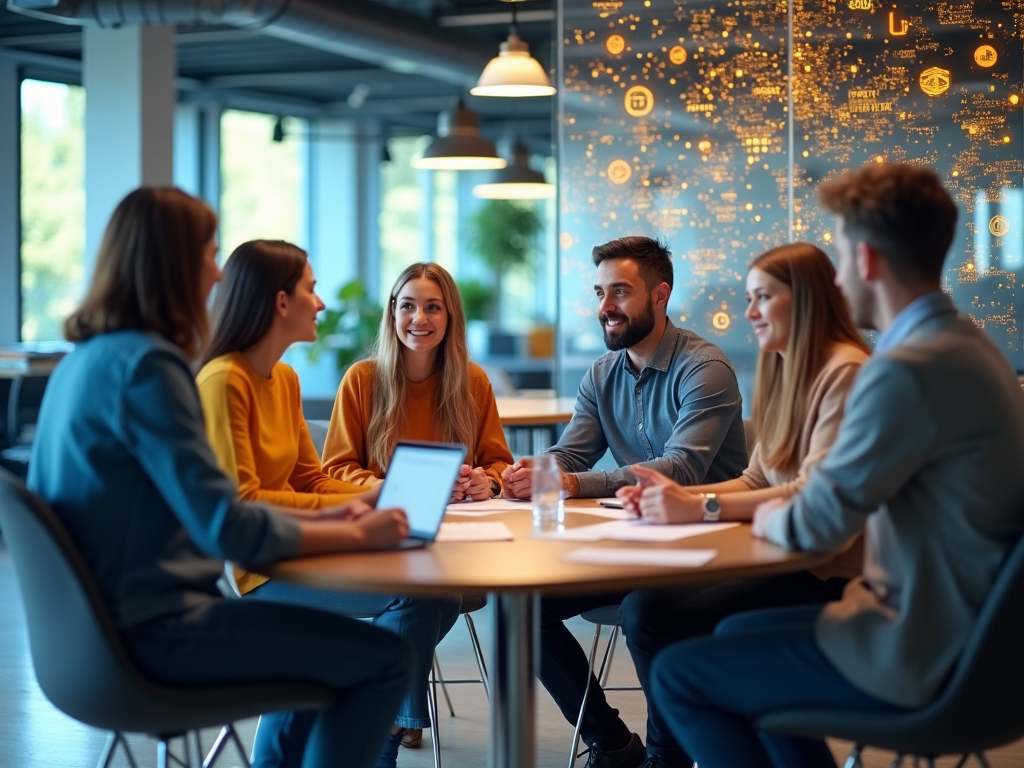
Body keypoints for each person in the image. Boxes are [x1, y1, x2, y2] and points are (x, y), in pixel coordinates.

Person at [650, 163, 1024, 768]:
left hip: (922, 647)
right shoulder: (972, 349)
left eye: (843, 260)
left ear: (869, 261)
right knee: (732, 638)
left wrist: (760, 513)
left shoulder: (903, 372)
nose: (839, 280)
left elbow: (816, 523)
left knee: (679, 675)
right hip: (984, 643)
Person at [27, 187, 416, 768]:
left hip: (84, 645)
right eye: (209, 257)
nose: (216, 276)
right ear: (173, 265)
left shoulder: (84, 361)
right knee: (386, 659)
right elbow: (225, 526)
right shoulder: (148, 369)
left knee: (324, 656)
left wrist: (339, 514)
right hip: (153, 636)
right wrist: (355, 534)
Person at [594, 242, 870, 768]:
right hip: (787, 552)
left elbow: (812, 494)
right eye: (749, 298)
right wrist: (675, 498)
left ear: (808, 300)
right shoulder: (790, 372)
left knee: (650, 612)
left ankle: (664, 757)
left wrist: (699, 509)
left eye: (763, 298)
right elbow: (756, 479)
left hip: (828, 571)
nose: (749, 314)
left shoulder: (846, 372)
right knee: (655, 609)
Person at [195, 240, 460, 767]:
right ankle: (377, 740)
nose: (320, 303)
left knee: (441, 595)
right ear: (279, 302)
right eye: (311, 290)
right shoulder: (225, 380)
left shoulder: (285, 378)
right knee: (417, 597)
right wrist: (351, 512)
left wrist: (382, 493)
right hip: (259, 566)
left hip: (301, 548)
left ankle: (361, 717)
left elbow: (309, 480)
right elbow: (241, 500)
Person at [500, 235, 748, 768]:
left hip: (707, 548)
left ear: (660, 295)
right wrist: (530, 474)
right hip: (631, 544)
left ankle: (667, 759)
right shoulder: (601, 374)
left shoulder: (705, 368)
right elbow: (572, 455)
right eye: (598, 293)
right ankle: (612, 744)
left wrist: (574, 486)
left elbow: (682, 470)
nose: (604, 308)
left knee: (645, 612)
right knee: (522, 604)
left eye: (619, 292)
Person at [322, 261, 513, 500]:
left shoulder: (473, 380)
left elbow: (499, 464)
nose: (419, 318)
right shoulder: (360, 379)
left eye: (433, 307)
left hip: (463, 515)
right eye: (407, 306)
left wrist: (487, 483)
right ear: (393, 314)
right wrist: (404, 487)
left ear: (450, 316)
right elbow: (335, 470)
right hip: (384, 517)